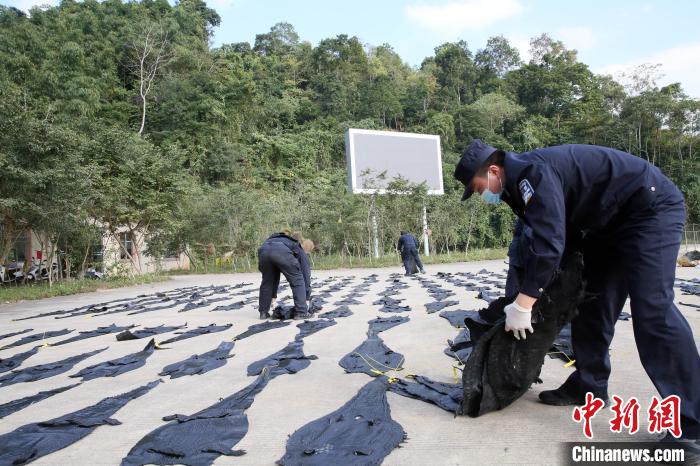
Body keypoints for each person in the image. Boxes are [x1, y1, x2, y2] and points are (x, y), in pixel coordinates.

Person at [454, 139, 700, 452]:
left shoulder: (533, 175)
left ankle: (693, 424)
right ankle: (589, 386)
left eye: (477, 188)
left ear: (492, 170)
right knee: (590, 305)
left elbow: (550, 243)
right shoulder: (519, 185)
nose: (481, 195)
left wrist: (524, 303)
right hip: (605, 226)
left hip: (648, 212)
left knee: (653, 310)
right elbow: (555, 239)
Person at [257, 230, 312, 320]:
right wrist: (307, 296)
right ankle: (301, 312)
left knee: (267, 281)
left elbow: (274, 278)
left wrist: (273, 295)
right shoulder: (297, 246)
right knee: (297, 279)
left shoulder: (276, 240)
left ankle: (263, 312)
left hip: (263, 250)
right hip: (280, 252)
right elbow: (305, 274)